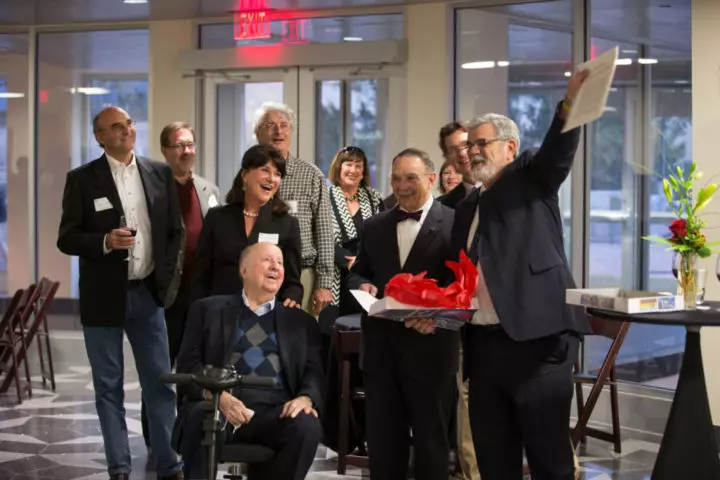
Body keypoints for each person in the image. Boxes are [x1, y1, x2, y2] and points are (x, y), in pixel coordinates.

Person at [451, 70, 591, 480]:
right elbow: (461, 280)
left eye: (482, 143)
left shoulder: (531, 176)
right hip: (483, 347)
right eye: (467, 145)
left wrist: (570, 105)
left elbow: (558, 148)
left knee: (549, 462)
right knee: (495, 462)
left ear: (509, 148)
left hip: (539, 344)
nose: (471, 152)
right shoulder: (464, 210)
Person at [56, 106, 183, 480]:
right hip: (102, 297)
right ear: (100, 137)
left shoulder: (159, 172)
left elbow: (175, 232)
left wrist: (167, 285)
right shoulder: (81, 180)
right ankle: (119, 465)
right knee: (108, 386)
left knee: (160, 384)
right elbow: (66, 237)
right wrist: (105, 241)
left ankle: (168, 462)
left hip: (148, 295)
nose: (126, 130)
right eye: (116, 126)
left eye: (128, 123)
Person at [347, 148, 458, 480]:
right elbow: (357, 273)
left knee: (432, 444)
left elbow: (462, 285)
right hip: (382, 351)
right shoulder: (375, 225)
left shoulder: (455, 223)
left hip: (431, 352)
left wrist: (436, 316)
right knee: (383, 444)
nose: (402, 185)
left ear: (431, 179)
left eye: (411, 178)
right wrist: (363, 286)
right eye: (396, 178)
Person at [175, 242, 324, 480]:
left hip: (274, 412)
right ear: (243, 270)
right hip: (218, 406)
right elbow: (187, 366)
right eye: (267, 260)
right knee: (203, 417)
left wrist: (306, 398)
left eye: (280, 262)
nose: (276, 266)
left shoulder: (301, 322)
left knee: (306, 425)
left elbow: (314, 371)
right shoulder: (207, 310)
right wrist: (218, 397)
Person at [140, 121, 222, 452]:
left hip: (200, 298)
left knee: (194, 373)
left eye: (190, 144)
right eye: (179, 145)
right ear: (165, 150)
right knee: (160, 374)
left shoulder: (208, 190)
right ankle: (157, 443)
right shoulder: (154, 189)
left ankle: (188, 438)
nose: (186, 151)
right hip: (164, 297)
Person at [192, 145, 302, 306]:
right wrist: (200, 314)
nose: (272, 178)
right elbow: (201, 276)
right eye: (265, 170)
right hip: (220, 314)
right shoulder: (217, 218)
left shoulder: (287, 224)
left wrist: (293, 295)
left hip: (264, 316)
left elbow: (293, 281)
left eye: (277, 174)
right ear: (245, 175)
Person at [254, 102, 334, 316]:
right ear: (257, 133)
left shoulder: (311, 175)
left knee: (299, 344)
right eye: (270, 124)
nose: (278, 131)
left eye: (284, 125)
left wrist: (325, 283)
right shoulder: (248, 175)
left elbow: (325, 231)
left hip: (302, 276)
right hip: (256, 277)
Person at [327, 146, 385, 316]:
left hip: (369, 274)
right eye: (348, 164)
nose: (353, 170)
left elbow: (384, 235)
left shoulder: (374, 197)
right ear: (339, 168)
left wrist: (363, 262)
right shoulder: (324, 197)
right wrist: (348, 261)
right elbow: (319, 238)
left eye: (358, 165)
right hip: (335, 273)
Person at [437, 121, 474, 209]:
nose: (462, 153)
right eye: (453, 150)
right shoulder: (444, 205)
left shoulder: (503, 190)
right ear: (446, 157)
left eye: (466, 145)